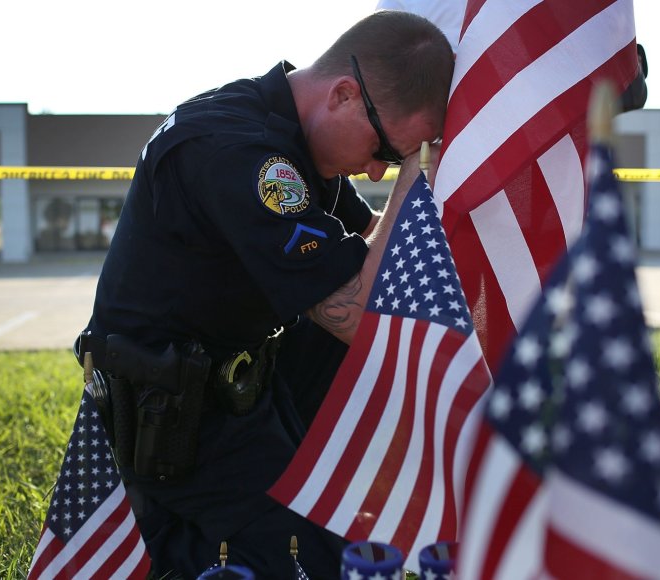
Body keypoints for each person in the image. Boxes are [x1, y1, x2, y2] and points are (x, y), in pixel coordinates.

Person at [77, 10, 454, 579]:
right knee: (313, 561)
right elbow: (353, 312)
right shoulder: (242, 153)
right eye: (388, 152)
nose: (378, 172)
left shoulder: (294, 138)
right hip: (175, 415)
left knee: (327, 521)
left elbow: (360, 248)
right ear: (345, 95)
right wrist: (415, 177)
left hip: (229, 383)